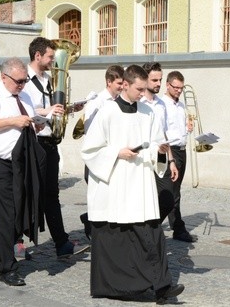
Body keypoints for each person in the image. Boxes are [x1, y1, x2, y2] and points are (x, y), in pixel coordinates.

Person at [81, 64, 184, 304]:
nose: (143, 93)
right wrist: (117, 152)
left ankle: (161, 287)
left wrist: (162, 151)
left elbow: (157, 143)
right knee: (120, 237)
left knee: (152, 233)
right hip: (116, 184)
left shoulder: (148, 113)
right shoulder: (106, 112)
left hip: (140, 184)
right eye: (139, 88)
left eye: (144, 88)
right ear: (125, 85)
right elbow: (89, 150)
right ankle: (122, 287)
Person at [0, 57, 45, 286]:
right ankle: (7, 268)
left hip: (22, 161)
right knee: (5, 214)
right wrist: (13, 121)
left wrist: (37, 123)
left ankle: (0, 244)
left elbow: (26, 121)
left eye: (25, 81)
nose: (22, 85)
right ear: (4, 77)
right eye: (18, 81)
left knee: (21, 209)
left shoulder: (24, 95)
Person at [22, 37, 85, 259]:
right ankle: (9, 241)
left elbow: (51, 110)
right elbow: (26, 110)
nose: (53, 60)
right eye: (50, 56)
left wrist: (69, 108)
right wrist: (49, 110)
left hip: (50, 142)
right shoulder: (24, 81)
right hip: (34, 142)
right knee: (29, 194)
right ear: (37, 56)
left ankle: (61, 242)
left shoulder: (49, 79)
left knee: (51, 194)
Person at [79, 64, 125, 237]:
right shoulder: (97, 102)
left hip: (115, 155)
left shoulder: (119, 102)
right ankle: (94, 227)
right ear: (109, 82)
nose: (122, 87)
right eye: (119, 83)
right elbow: (91, 132)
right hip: (100, 156)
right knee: (98, 197)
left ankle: (99, 226)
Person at [160, 71, 197, 243]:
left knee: (176, 189)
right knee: (171, 191)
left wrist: (187, 127)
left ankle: (173, 225)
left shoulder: (181, 106)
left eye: (181, 88)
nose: (179, 91)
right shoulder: (162, 104)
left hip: (181, 148)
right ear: (167, 85)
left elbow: (178, 128)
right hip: (169, 149)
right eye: (176, 88)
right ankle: (177, 228)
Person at [141, 62, 179, 221]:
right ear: (144, 79)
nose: (158, 84)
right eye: (154, 80)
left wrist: (171, 160)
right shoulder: (138, 102)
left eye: (160, 80)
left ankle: (151, 228)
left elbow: (164, 133)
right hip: (143, 157)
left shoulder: (161, 104)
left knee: (167, 200)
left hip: (161, 157)